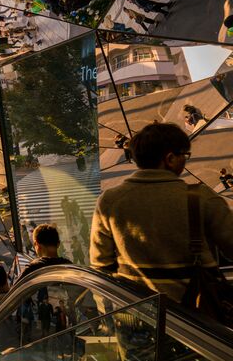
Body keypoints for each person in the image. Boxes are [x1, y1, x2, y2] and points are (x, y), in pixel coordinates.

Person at [90, 122, 233, 302]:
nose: (185, 160)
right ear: (170, 158)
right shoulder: (201, 198)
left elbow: (101, 266)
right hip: (196, 315)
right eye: (184, 155)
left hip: (137, 314)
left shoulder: (108, 201)